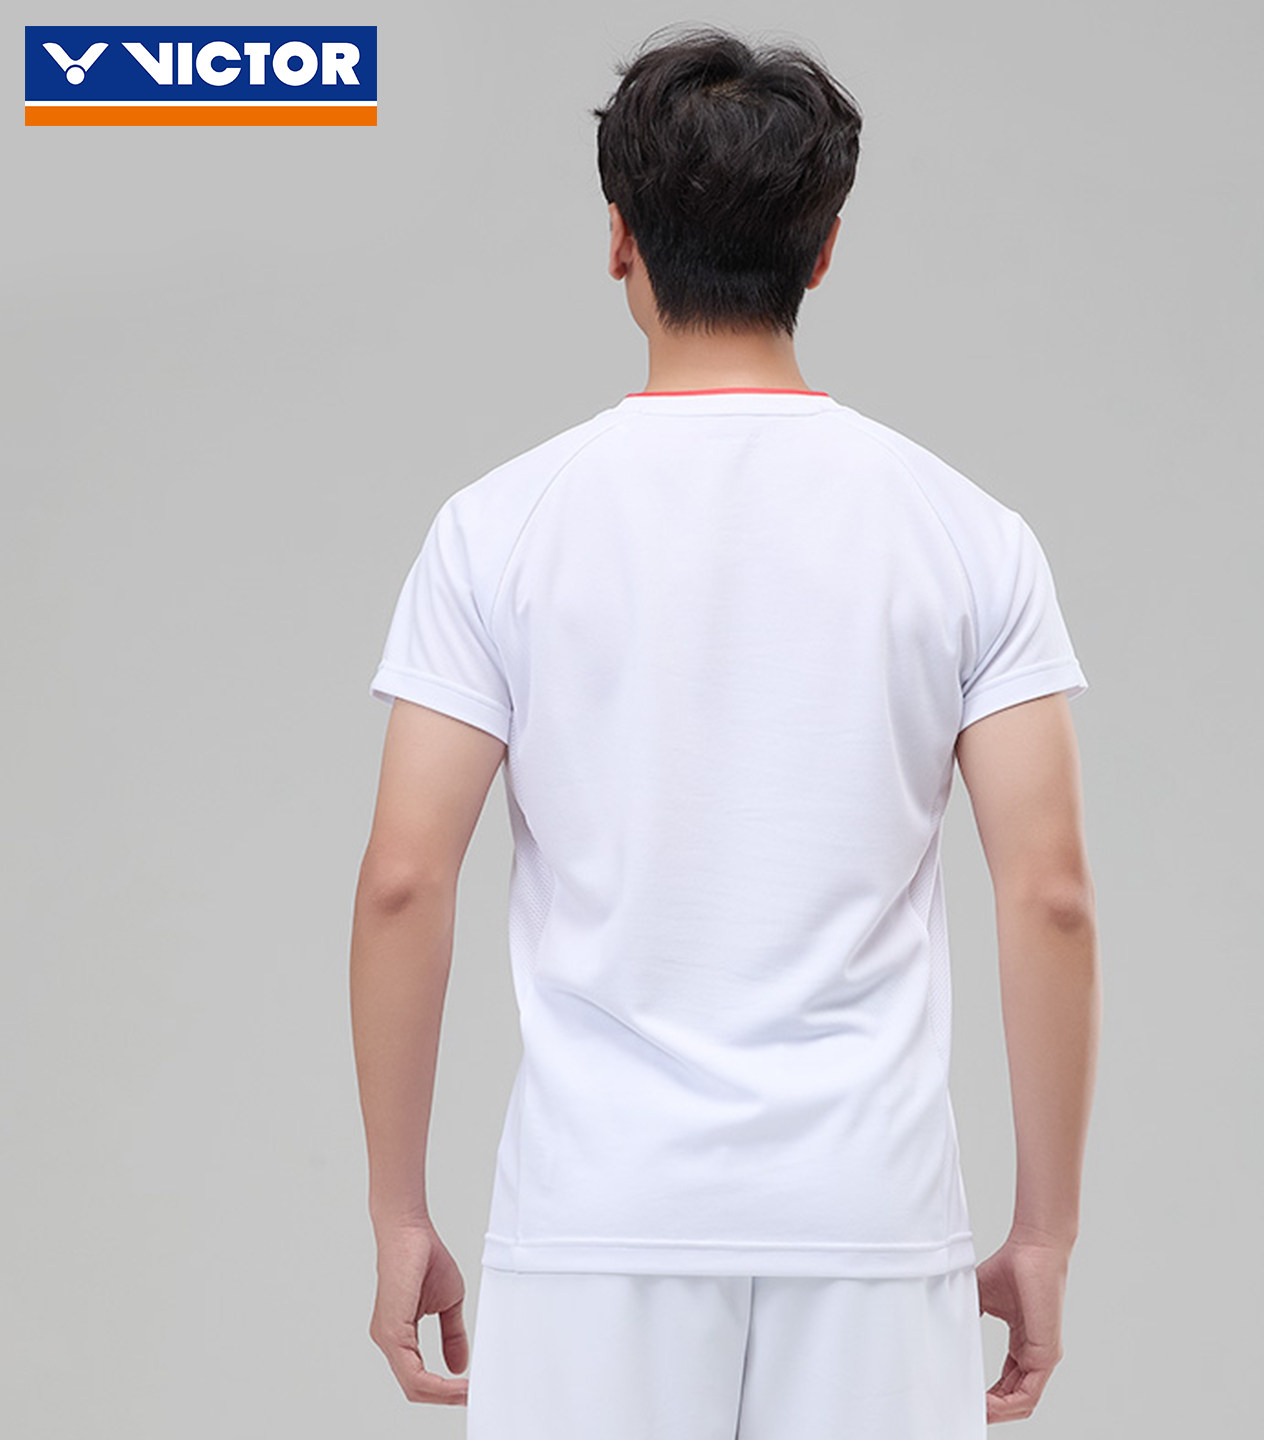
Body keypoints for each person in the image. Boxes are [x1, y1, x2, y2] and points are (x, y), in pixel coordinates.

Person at [351, 22, 1100, 1438]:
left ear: (618, 239)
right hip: (872, 1213)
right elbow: (1050, 896)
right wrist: (1045, 1232)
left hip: (596, 1214)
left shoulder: (498, 528)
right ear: (823, 251)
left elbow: (403, 880)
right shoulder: (966, 533)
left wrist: (398, 1212)